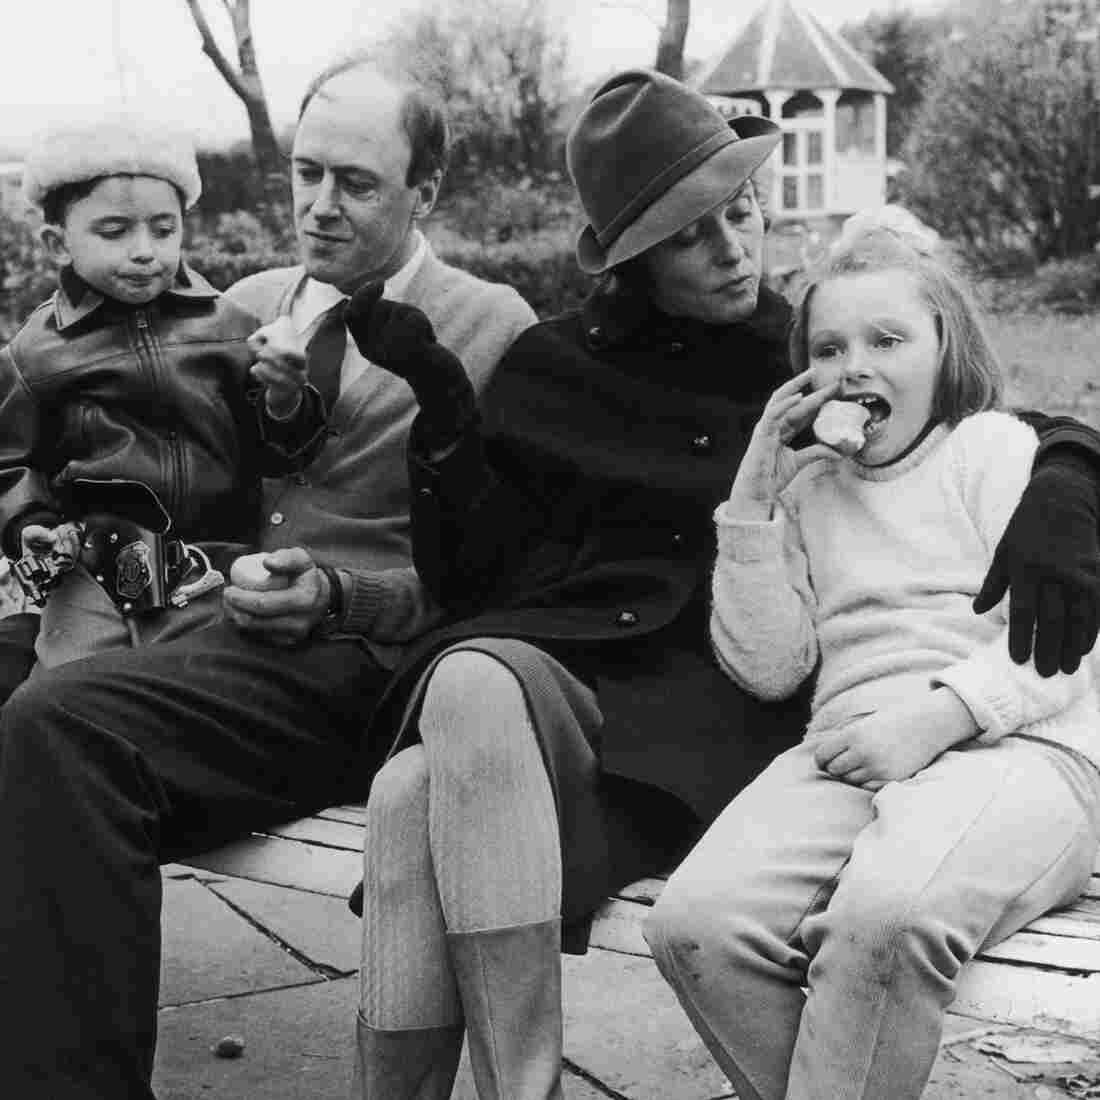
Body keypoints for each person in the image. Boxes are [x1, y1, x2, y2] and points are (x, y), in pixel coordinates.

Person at [350, 69, 1100, 1099]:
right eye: (690, 232)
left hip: (717, 723)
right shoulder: (557, 368)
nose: (732, 246)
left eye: (741, 210)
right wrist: (443, 410)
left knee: (454, 716)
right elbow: (475, 579)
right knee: (412, 776)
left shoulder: (794, 352)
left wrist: (1073, 468)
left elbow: (975, 411)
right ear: (629, 255)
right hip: (583, 692)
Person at [0, 55, 534, 1100]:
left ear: (426, 193)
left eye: (357, 183)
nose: (317, 207)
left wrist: (341, 596)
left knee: (58, 729)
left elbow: (501, 574)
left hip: (360, 662)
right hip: (203, 639)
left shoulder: (490, 328)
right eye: (304, 172)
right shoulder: (237, 306)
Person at [644, 217, 1100, 1100]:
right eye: (829, 346)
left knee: (883, 918)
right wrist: (752, 502)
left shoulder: (993, 451)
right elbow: (770, 667)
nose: (854, 365)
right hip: (852, 750)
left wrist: (939, 716)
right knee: (696, 926)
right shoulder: (810, 493)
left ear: (945, 351)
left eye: (887, 339)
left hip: (1019, 746)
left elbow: (1064, 645)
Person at [0, 110, 323, 672]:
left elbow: (281, 453)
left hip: (213, 562)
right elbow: (10, 463)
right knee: (67, 697)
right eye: (115, 231)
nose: (145, 249)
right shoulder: (35, 353)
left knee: (207, 691)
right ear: (57, 244)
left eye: (163, 228)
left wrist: (285, 397)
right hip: (92, 570)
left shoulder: (232, 326)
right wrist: (30, 524)